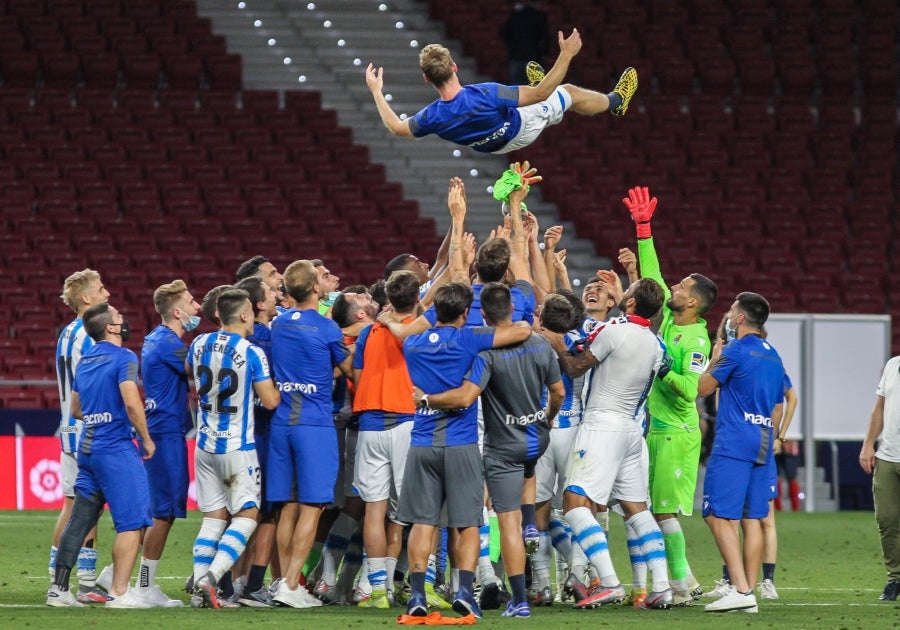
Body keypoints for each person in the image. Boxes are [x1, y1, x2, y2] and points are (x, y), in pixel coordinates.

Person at [419, 282, 565, 618]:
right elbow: (557, 392)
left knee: (506, 523)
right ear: (512, 311)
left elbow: (467, 397)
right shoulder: (541, 345)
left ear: (482, 314)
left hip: (503, 446)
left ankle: (518, 600)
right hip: (536, 438)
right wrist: (547, 418)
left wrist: (428, 398)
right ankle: (531, 522)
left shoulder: (485, 354)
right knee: (526, 475)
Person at [397, 282, 532, 618]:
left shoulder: (412, 345)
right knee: (468, 523)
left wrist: (425, 316)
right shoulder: (470, 337)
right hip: (461, 444)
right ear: (463, 313)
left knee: (422, 522)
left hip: (422, 443)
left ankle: (416, 595)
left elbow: (409, 331)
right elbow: (520, 331)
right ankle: (463, 591)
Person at [541, 277, 674, 610]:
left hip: (602, 425)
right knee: (636, 510)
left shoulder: (614, 332)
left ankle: (610, 583)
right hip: (632, 431)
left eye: (626, 293)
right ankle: (662, 587)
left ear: (630, 303)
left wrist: (557, 345)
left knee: (573, 505)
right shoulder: (657, 344)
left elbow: (574, 368)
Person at [624, 185, 718, 606]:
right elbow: (653, 278)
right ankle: (682, 581)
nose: (672, 287)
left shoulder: (694, 339)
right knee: (651, 508)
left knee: (662, 511)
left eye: (680, 286)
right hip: (655, 428)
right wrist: (644, 231)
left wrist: (661, 361)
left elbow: (691, 389)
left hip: (676, 432)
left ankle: (683, 584)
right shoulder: (671, 322)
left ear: (693, 301)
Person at [365, 30, 637, 154]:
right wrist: (566, 55)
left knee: (540, 94)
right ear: (455, 67)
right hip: (519, 129)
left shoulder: (431, 117)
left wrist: (376, 91)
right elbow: (541, 93)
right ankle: (617, 102)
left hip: (489, 147)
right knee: (565, 92)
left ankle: (544, 98)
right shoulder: (485, 94)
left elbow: (397, 128)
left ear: (427, 79)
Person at [47, 303, 155, 609]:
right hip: (116, 449)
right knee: (132, 523)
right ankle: (120, 593)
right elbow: (133, 403)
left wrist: (99, 415)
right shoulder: (124, 357)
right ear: (110, 327)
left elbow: (76, 409)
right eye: (120, 317)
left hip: (88, 449)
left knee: (80, 519)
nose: (124, 320)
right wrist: (145, 438)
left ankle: (59, 590)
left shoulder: (86, 360)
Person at [267, 260, 353, 608]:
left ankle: (284, 582)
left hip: (281, 422)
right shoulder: (327, 328)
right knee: (313, 505)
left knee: (287, 505)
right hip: (314, 424)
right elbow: (349, 369)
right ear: (316, 289)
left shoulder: (279, 323)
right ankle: (291, 584)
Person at [187, 289, 280, 609]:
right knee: (248, 514)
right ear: (242, 315)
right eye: (251, 313)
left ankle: (200, 589)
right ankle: (211, 577)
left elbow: (190, 374)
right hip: (237, 446)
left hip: (203, 445)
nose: (254, 318)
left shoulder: (197, 344)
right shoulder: (252, 351)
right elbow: (269, 401)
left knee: (213, 518)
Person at [698, 293, 785, 614]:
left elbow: (703, 388)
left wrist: (715, 356)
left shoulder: (734, 350)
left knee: (716, 515)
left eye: (732, 310)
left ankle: (742, 589)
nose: (729, 315)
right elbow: (779, 404)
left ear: (739, 319)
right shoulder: (774, 356)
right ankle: (746, 595)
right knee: (752, 518)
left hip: (735, 440)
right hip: (764, 439)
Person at [350, 271, 420, 609]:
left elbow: (358, 376)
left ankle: (375, 590)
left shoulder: (367, 333)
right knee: (413, 512)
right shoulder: (419, 332)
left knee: (374, 511)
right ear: (416, 298)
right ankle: (415, 583)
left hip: (370, 425)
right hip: (406, 422)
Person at [135, 280, 201, 607]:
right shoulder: (168, 344)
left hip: (163, 430)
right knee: (164, 513)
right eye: (191, 303)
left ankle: (113, 573)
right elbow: (199, 369)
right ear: (177, 311)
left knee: (159, 511)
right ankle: (145, 586)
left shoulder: (157, 339)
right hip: (166, 433)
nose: (197, 308)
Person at [51, 269, 110, 604]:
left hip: (68, 429)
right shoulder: (88, 334)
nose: (108, 294)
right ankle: (83, 582)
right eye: (101, 289)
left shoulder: (67, 333)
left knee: (74, 505)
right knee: (87, 507)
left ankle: (57, 576)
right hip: (87, 429)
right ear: (86, 298)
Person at [860, 355, 900, 602]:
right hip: (887, 455)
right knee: (887, 521)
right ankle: (895, 578)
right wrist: (867, 444)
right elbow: (880, 408)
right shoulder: (893, 365)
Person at [499, 1, 551, 85]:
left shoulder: (514, 16)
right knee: (536, 90)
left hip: (516, 56)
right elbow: (546, 37)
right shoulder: (539, 16)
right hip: (533, 57)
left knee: (516, 90)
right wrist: (544, 52)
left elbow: (504, 33)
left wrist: (511, 47)